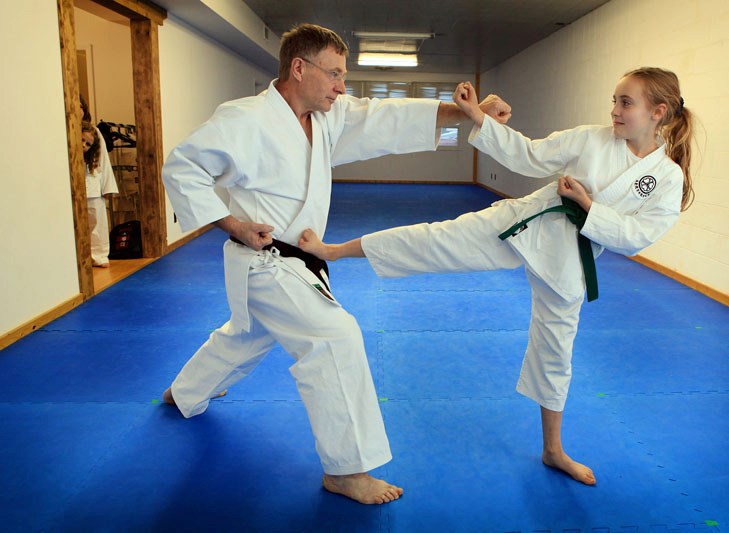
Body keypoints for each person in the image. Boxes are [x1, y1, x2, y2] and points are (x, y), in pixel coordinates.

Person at [160, 23, 510, 505]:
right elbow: (182, 167)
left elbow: (384, 118)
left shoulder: (326, 117)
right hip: (265, 261)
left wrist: (467, 114)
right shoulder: (244, 119)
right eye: (335, 75)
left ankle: (184, 393)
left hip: (298, 262)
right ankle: (346, 471)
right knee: (335, 337)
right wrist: (234, 224)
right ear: (299, 68)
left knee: (248, 334)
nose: (342, 87)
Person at [298, 67, 695, 486]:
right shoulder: (590, 138)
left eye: (625, 103)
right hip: (523, 224)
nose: (614, 111)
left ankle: (554, 450)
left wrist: (588, 207)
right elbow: (529, 154)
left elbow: (637, 235)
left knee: (556, 351)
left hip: (568, 259)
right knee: (436, 239)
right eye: (614, 100)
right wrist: (478, 118)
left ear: (658, 112)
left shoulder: (666, 177)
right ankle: (336, 251)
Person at [81, 121, 118, 267]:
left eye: (88, 144)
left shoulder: (95, 136)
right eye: (82, 140)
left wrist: (108, 187)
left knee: (97, 222)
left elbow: (104, 164)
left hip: (93, 188)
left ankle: (99, 255)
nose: (84, 145)